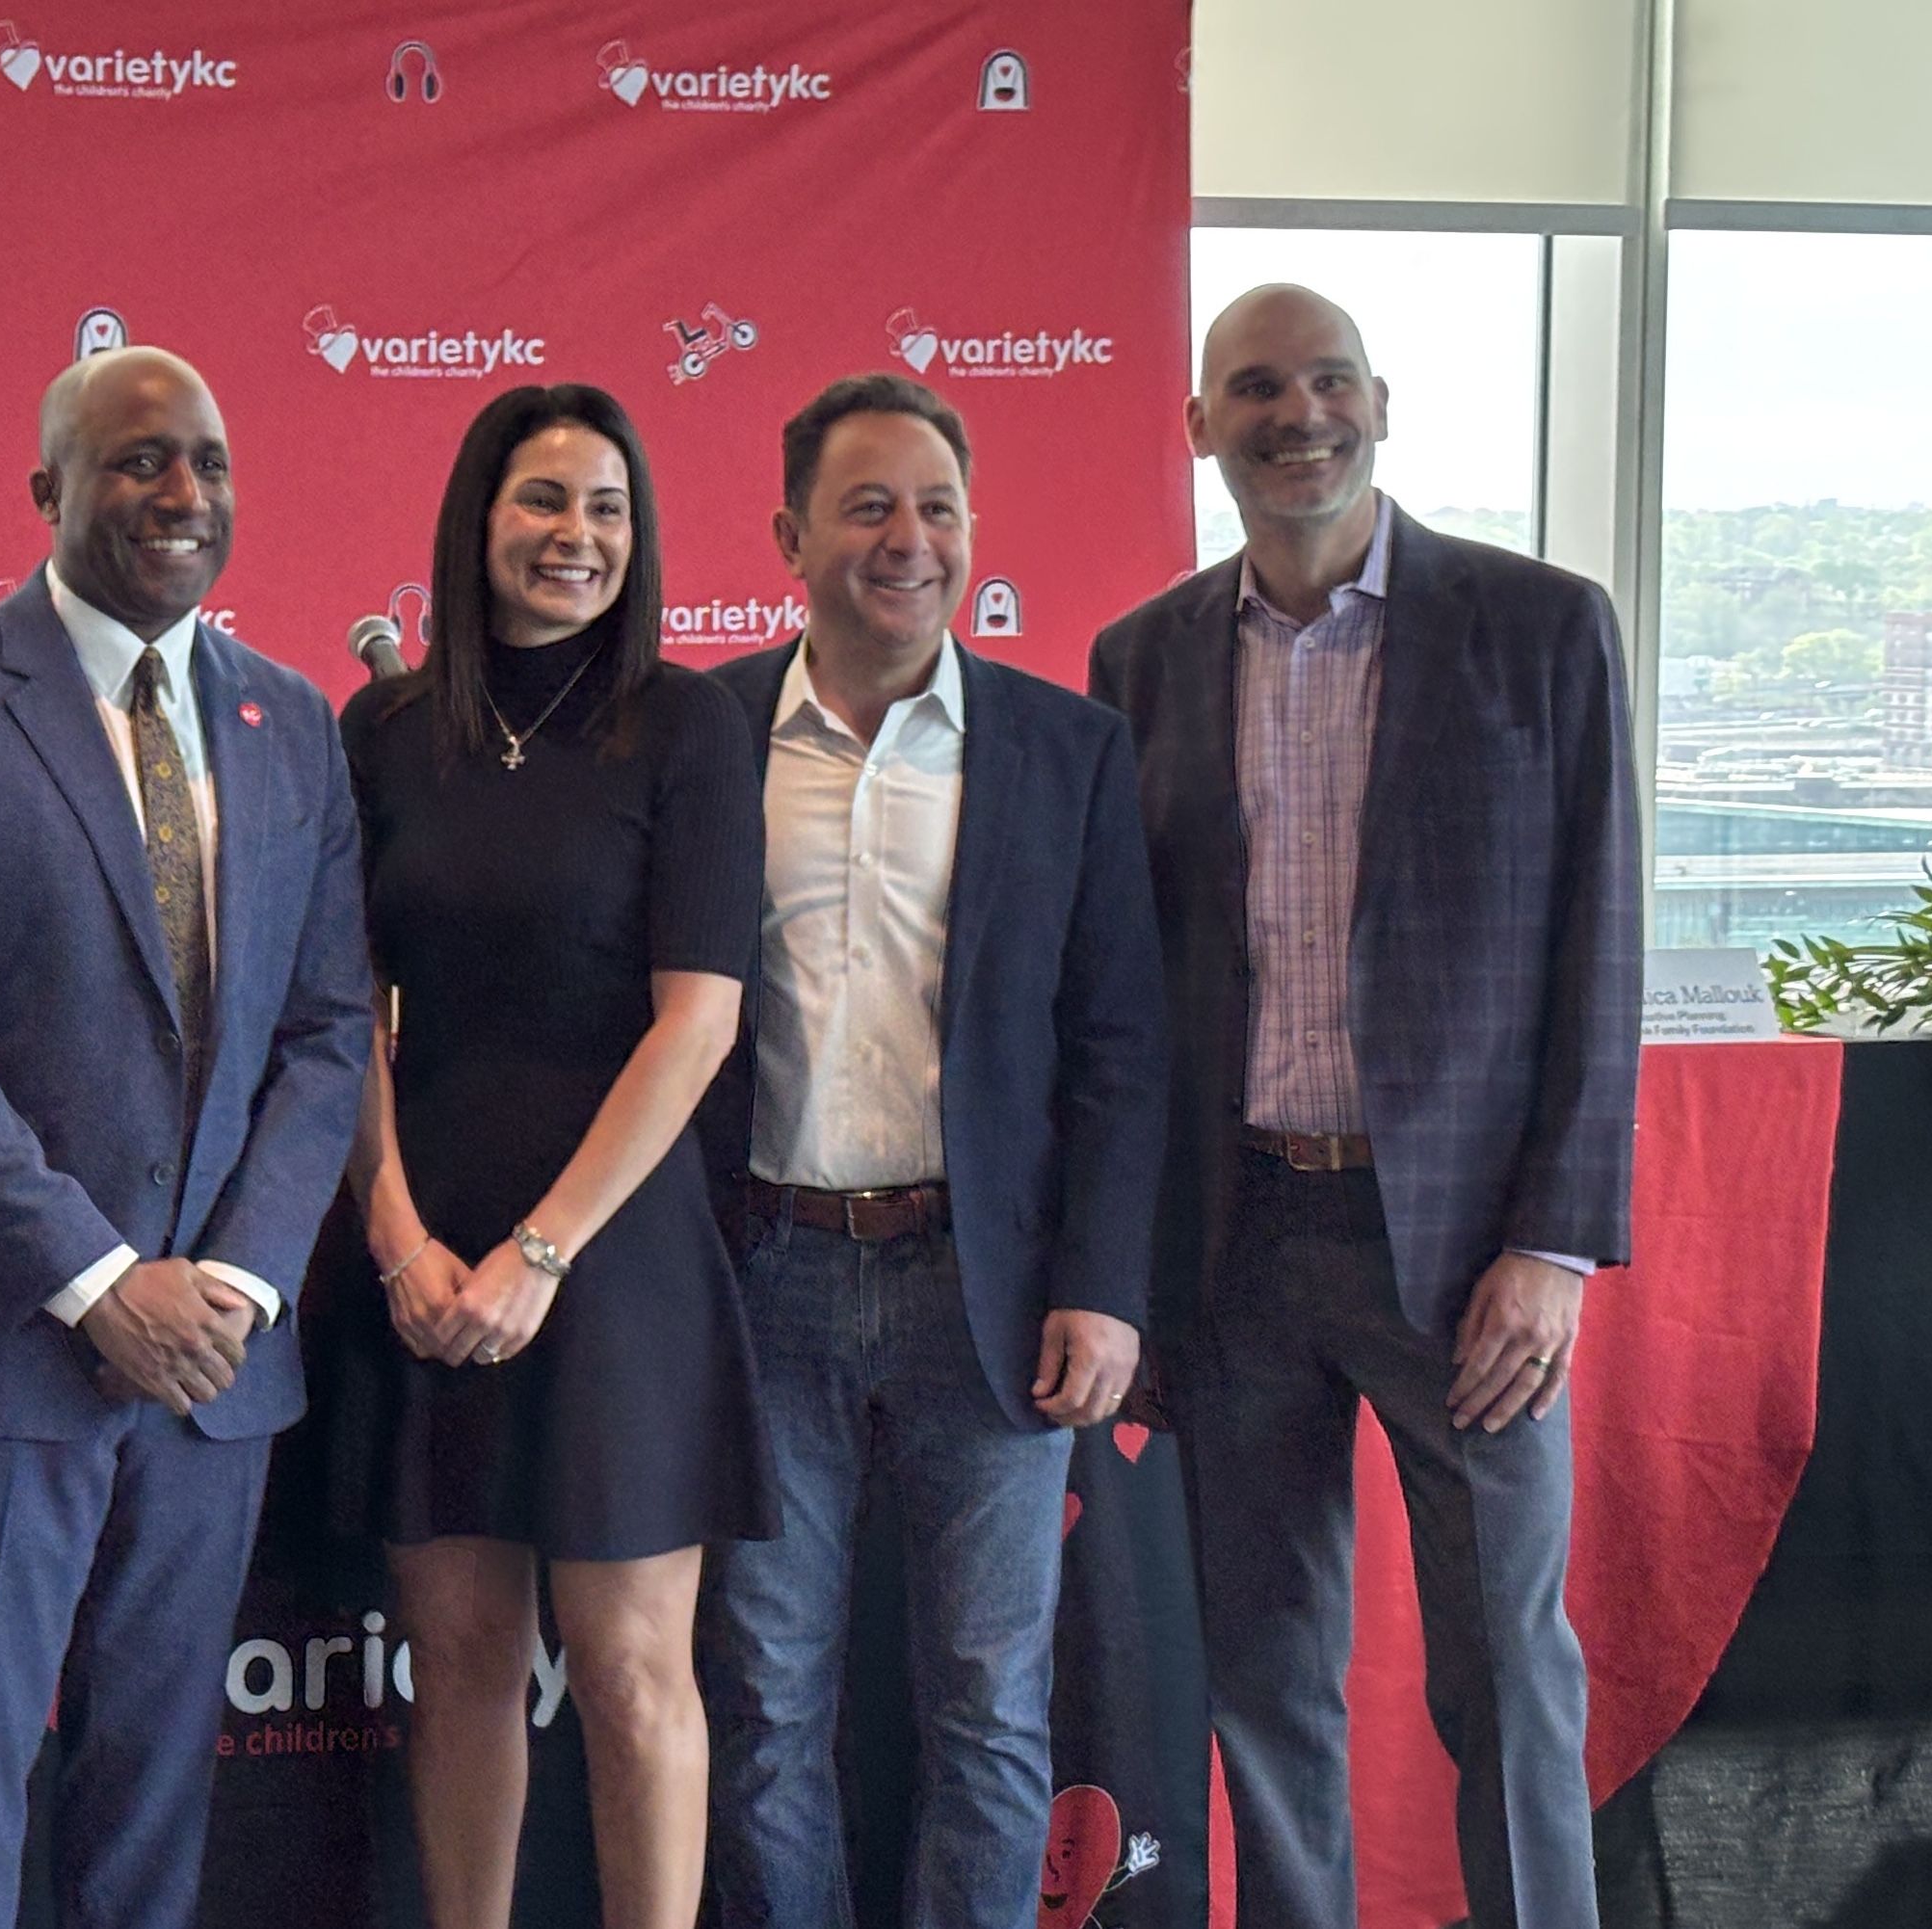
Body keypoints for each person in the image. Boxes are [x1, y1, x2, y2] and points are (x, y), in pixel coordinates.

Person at [1087, 284, 1641, 1929]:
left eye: (1329, 381)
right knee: (1266, 1686)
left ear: (1384, 403)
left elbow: (1597, 944)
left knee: (1507, 1673)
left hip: (1474, 1262)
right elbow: (1124, 995)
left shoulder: (1541, 626)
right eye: (1255, 388)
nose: (1297, 414)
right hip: (1239, 1244)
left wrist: (1554, 1239)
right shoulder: (1141, 657)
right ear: (1201, 426)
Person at [0, 345, 373, 1929]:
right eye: (137, 462)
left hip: (217, 1371)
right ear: (48, 490)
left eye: (204, 460)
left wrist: (242, 1284)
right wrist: (101, 1282)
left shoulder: (290, 721)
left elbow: (329, 1030)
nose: (180, 495)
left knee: (155, 1813)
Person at [691, 372, 1169, 1927]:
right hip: (757, 1284)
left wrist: (1102, 1285)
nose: (912, 539)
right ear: (787, 534)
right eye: (871, 505)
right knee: (763, 1706)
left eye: (940, 506)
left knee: (989, 1709)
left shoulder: (1066, 751)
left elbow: (1119, 1046)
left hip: (990, 1288)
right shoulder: (695, 737)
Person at [338, 383, 768, 1929]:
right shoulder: (385, 727)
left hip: (615, 1249)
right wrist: (396, 1236)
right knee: (456, 1658)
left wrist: (542, 1250)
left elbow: (698, 1021)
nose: (574, 536)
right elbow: (343, 1015)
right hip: (424, 1243)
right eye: (543, 500)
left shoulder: (686, 723)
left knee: (635, 1671)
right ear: (477, 517)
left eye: (606, 506)